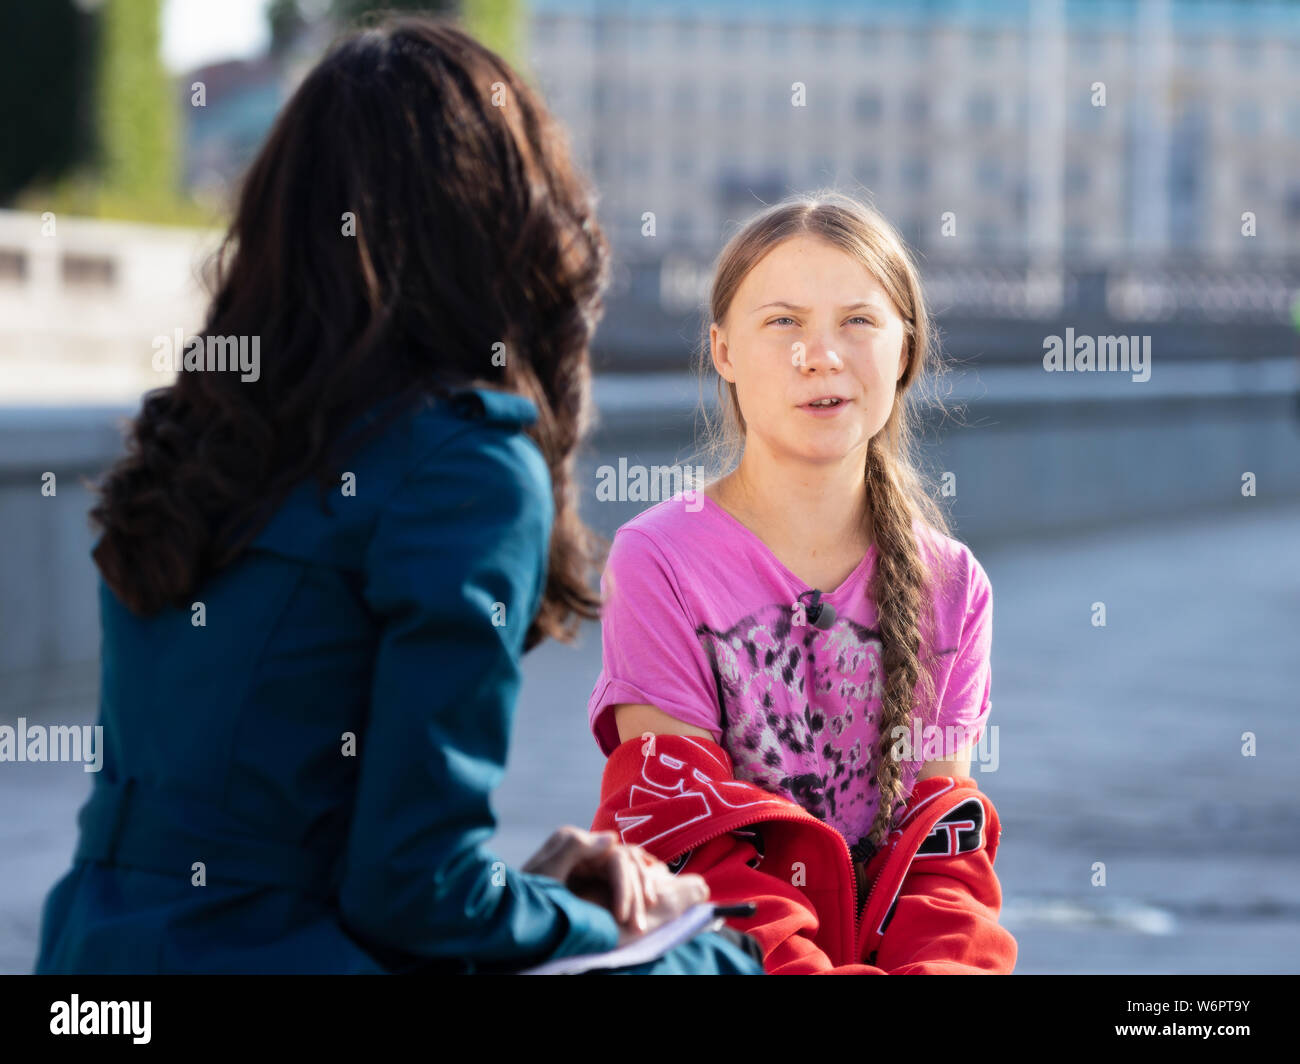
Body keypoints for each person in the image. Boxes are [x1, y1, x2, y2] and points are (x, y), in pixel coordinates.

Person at [33, 14, 761, 976]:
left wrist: (532, 890)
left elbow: (346, 856)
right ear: (503, 222)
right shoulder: (461, 466)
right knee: (721, 965)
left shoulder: (200, 436)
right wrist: (611, 929)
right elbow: (411, 893)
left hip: (92, 962)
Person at [585, 191, 1018, 972]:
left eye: (859, 321)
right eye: (782, 322)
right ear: (722, 351)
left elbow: (943, 858)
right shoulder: (658, 561)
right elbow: (684, 841)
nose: (820, 355)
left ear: (906, 349)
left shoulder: (954, 586)